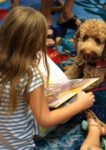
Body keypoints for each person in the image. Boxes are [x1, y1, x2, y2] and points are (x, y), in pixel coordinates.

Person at [0, 7, 95, 149]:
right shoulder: (30, 75)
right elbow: (45, 120)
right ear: (36, 43)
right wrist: (79, 105)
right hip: (19, 145)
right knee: (71, 104)